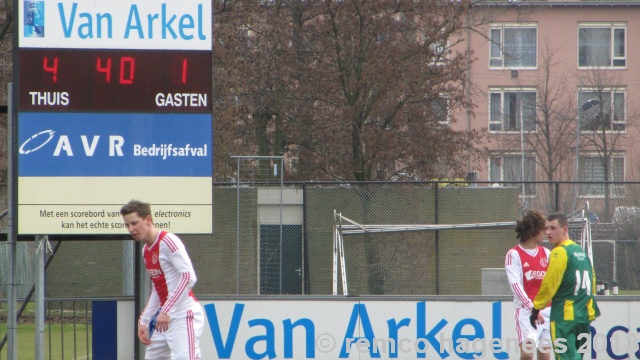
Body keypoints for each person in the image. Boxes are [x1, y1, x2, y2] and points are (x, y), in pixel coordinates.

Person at [121, 199, 204, 360]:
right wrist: (143, 321)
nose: (131, 229)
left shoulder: (168, 241)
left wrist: (166, 310)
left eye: (134, 223)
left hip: (183, 314)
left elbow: (188, 277)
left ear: (148, 220)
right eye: (127, 225)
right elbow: (158, 290)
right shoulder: (146, 250)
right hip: (163, 318)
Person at [530, 212, 600, 360]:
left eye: (553, 228)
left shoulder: (559, 252)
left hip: (564, 315)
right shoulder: (581, 252)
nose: (548, 232)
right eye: (546, 228)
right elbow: (592, 282)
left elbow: (550, 283)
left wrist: (536, 308)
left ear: (565, 229)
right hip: (583, 316)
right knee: (576, 356)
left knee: (565, 357)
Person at [505, 209, 552, 360]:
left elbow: (553, 283)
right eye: (543, 229)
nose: (546, 232)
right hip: (527, 313)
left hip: (547, 312)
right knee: (527, 354)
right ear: (533, 230)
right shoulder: (514, 254)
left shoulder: (546, 253)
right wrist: (533, 309)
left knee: (545, 355)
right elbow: (516, 285)